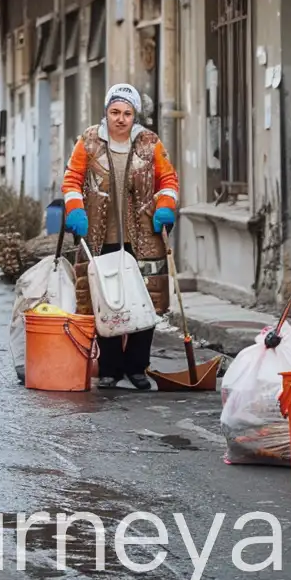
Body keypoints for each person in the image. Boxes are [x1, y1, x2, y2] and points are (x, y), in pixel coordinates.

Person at [61, 84, 180, 392]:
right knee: (107, 302)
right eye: (115, 112)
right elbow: (72, 180)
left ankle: (137, 367)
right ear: (106, 112)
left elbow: (168, 179)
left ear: (134, 115)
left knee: (145, 301)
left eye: (127, 113)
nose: (121, 119)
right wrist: (75, 208)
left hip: (143, 235)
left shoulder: (149, 142)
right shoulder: (88, 141)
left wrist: (165, 206)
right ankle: (111, 368)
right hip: (100, 236)